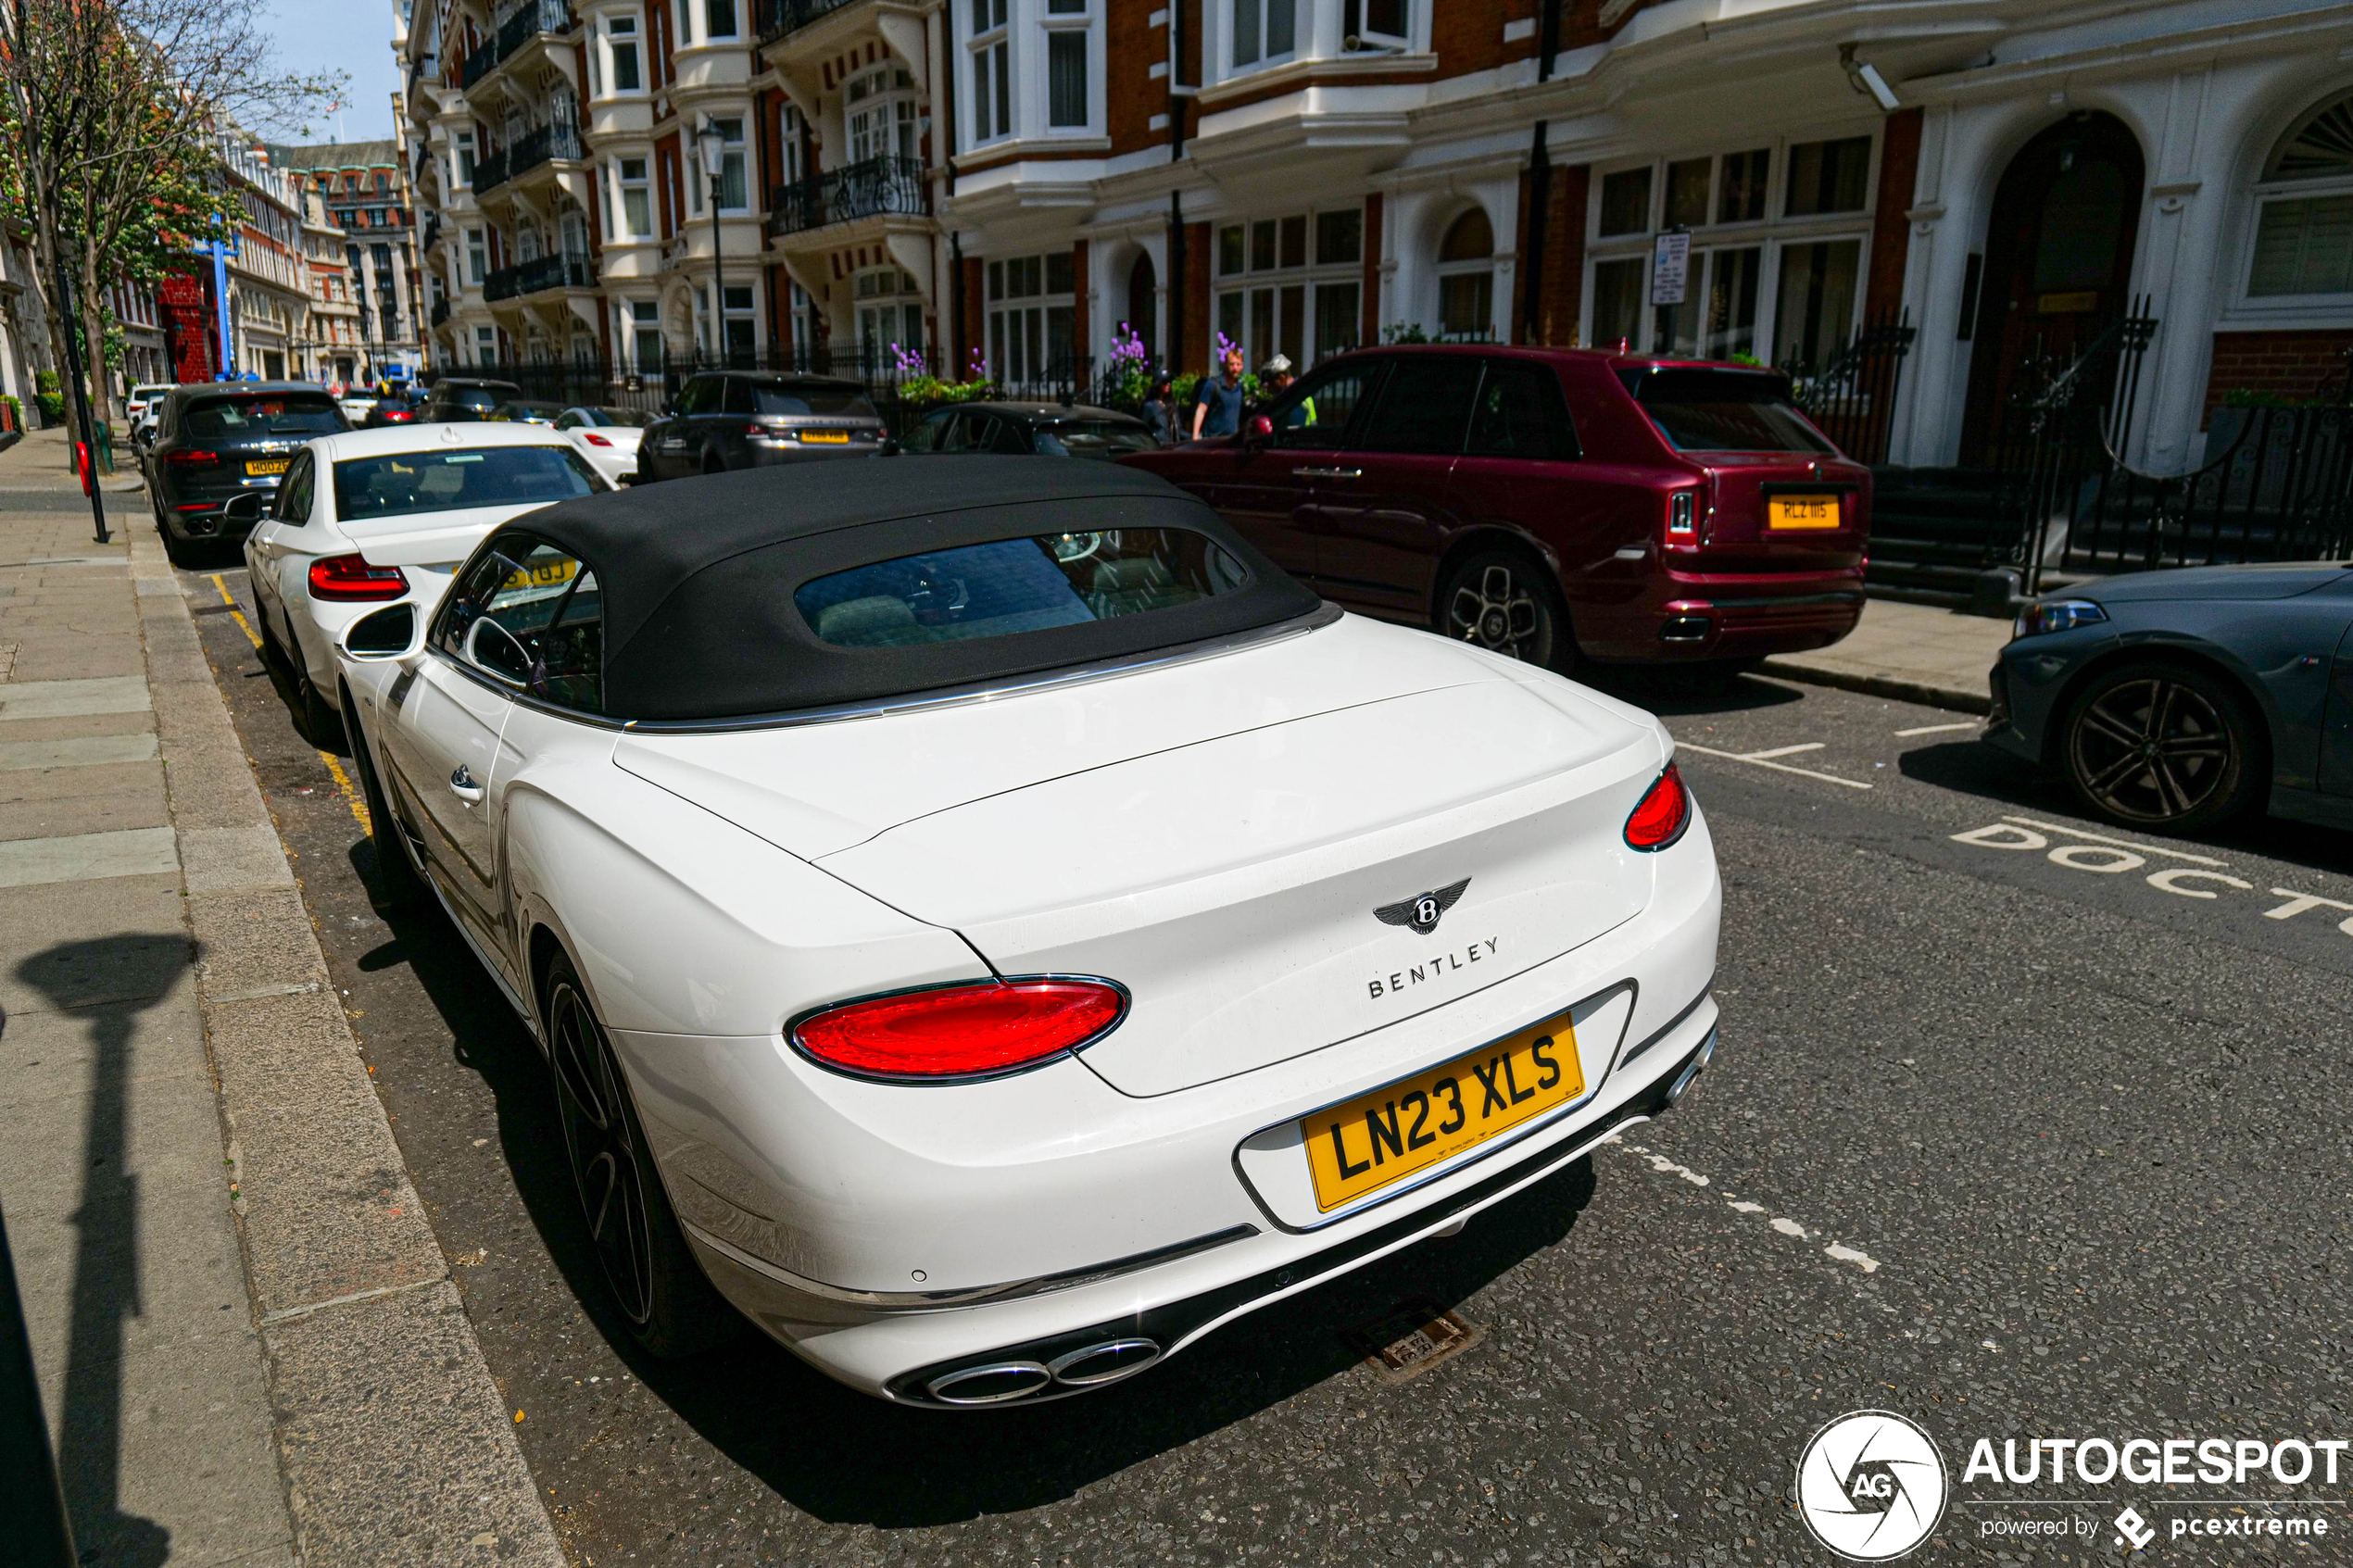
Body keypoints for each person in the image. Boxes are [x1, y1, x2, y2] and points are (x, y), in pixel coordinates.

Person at [1191, 348, 1246, 440]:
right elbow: (1201, 410)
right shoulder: (1213, 385)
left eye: (1238, 364)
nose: (1235, 368)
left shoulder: (1240, 389)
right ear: (1225, 365)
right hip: (1212, 441)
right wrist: (1195, 436)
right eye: (1232, 364)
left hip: (1231, 441)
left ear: (1242, 366)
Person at [1140, 375, 1176, 445]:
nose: (1168, 384)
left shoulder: (1171, 405)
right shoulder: (1150, 406)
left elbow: (1178, 430)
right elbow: (1143, 429)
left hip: (1170, 447)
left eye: (1169, 382)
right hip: (1157, 447)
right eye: (1165, 382)